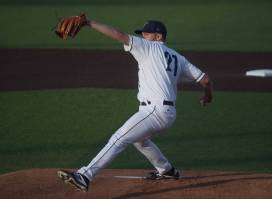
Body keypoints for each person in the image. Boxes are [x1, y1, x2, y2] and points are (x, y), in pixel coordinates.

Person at [57, 18, 213, 192]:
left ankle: (84, 176)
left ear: (157, 36)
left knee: (119, 138)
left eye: (146, 33)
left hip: (155, 111)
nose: (142, 36)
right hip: (166, 112)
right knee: (140, 140)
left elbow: (119, 35)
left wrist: (89, 23)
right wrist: (207, 96)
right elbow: (205, 79)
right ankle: (166, 170)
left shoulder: (149, 47)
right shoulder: (178, 57)